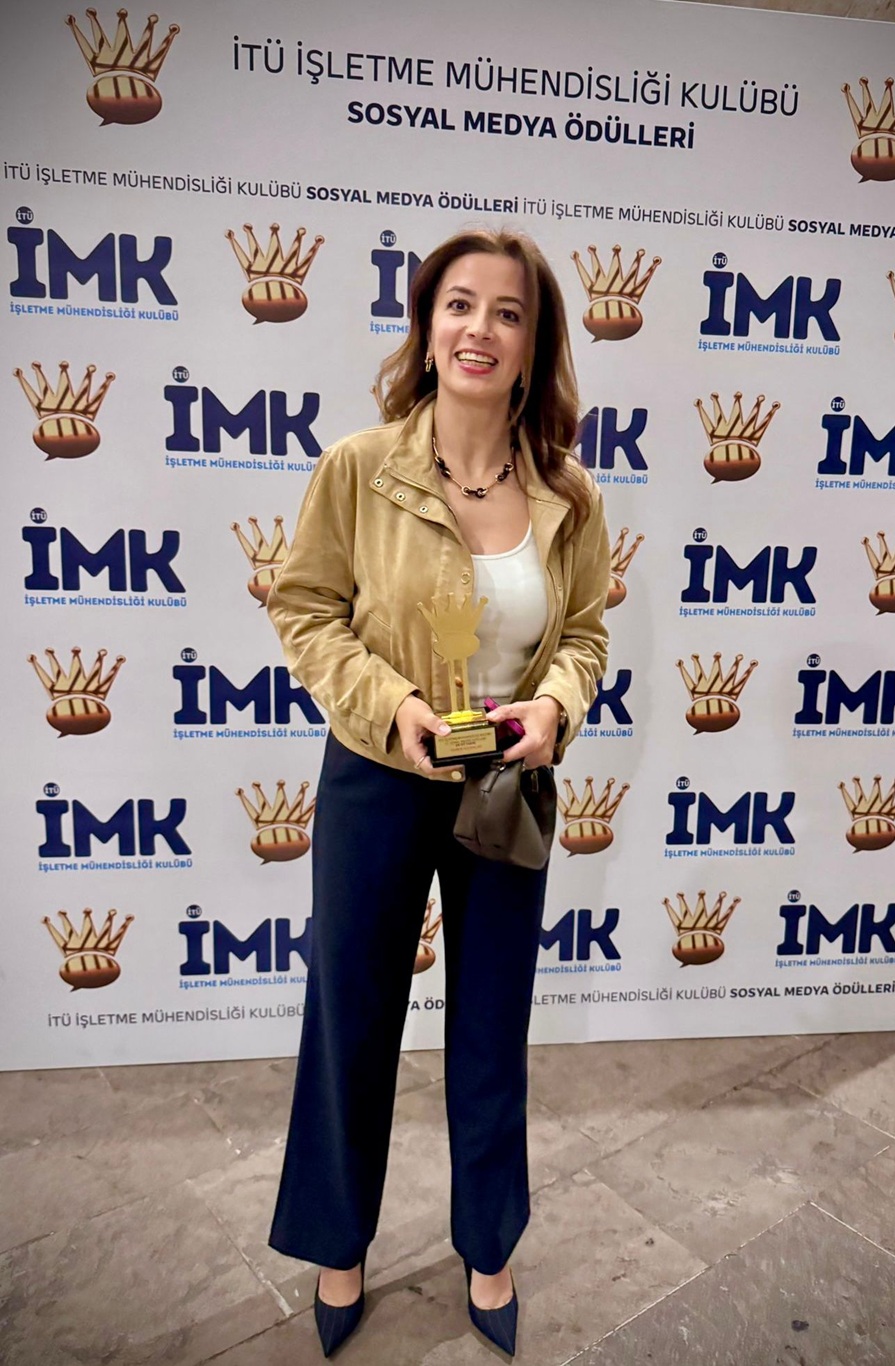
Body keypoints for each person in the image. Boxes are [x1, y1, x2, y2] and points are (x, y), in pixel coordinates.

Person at [266, 227, 611, 1358]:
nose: (479, 329)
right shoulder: (358, 469)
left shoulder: (569, 495)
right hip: (377, 775)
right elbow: (305, 611)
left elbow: (586, 638)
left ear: (533, 345)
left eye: (508, 312)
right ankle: (337, 1240)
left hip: (508, 785)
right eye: (459, 304)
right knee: (351, 1015)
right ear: (426, 328)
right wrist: (389, 705)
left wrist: (554, 706)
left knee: (493, 1023)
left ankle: (489, 1241)